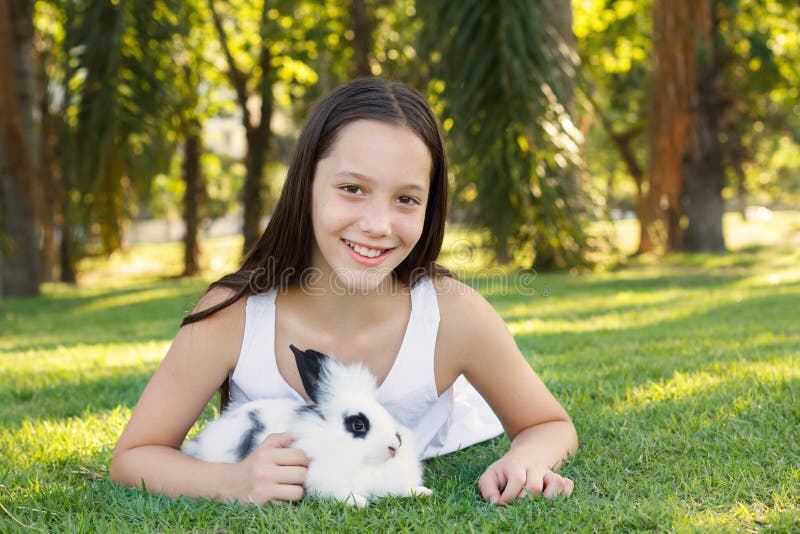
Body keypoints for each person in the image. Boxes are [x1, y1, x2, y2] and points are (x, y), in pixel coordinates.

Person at [110, 78, 578, 506]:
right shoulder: (233, 315)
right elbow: (135, 455)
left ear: (430, 206)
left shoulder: (453, 315)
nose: (377, 225)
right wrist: (228, 483)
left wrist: (526, 460)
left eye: (406, 199)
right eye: (353, 188)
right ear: (305, 185)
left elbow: (547, 424)